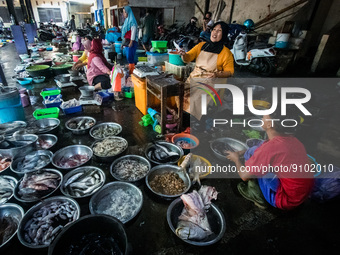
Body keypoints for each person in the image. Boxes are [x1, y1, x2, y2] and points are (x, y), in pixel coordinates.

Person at [226, 109, 315, 210]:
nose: (262, 118)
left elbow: (244, 176)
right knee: (255, 150)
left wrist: (236, 159)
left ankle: (255, 194)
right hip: (303, 192)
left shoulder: (271, 148)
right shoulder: (293, 140)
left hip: (287, 199)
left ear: (269, 125)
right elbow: (266, 148)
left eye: (264, 116)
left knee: (255, 168)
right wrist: (241, 152)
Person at [178, 21, 234, 120]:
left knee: (194, 100)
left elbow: (230, 72)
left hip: (210, 81)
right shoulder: (201, 46)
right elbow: (189, 57)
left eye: (219, 31)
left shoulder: (226, 53)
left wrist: (217, 74)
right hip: (195, 76)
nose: (215, 33)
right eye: (214, 30)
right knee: (180, 94)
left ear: (224, 34)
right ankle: (183, 117)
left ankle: (195, 122)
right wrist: (184, 55)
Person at [121, 6, 138, 74]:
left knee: (131, 57)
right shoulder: (126, 21)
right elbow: (125, 33)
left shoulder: (132, 21)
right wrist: (123, 43)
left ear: (128, 12)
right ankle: (131, 71)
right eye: (123, 12)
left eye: (124, 12)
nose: (123, 14)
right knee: (128, 57)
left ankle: (132, 72)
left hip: (132, 42)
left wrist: (131, 42)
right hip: (127, 41)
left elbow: (133, 33)